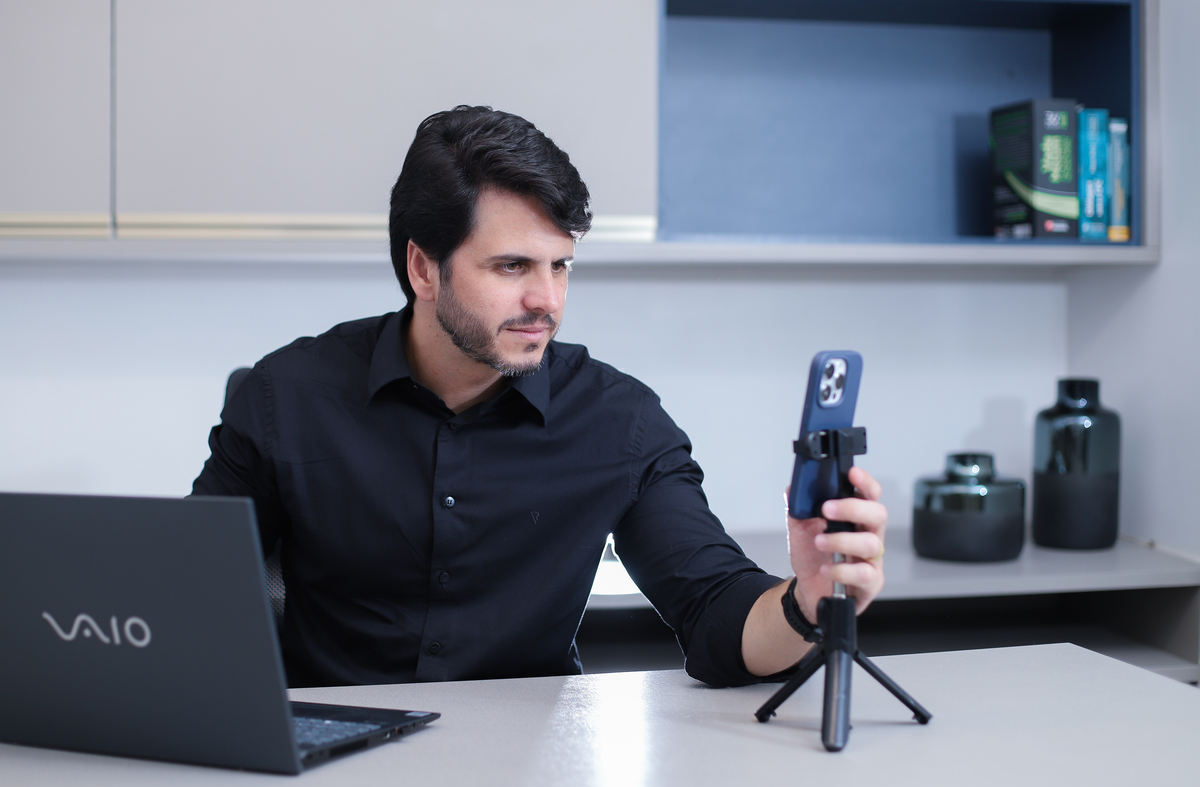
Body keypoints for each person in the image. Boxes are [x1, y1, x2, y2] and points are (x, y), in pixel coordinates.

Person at [192, 105, 886, 688]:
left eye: (560, 266)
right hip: (327, 761)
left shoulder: (618, 420)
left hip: (529, 765)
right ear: (423, 268)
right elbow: (187, 595)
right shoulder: (286, 398)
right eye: (512, 266)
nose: (546, 300)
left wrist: (805, 602)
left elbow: (716, 611)